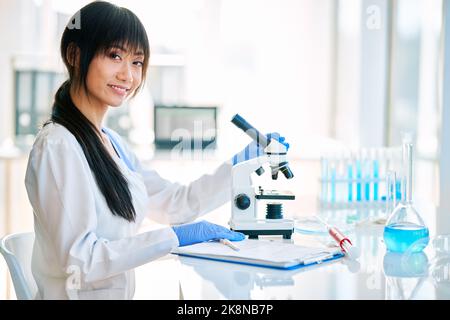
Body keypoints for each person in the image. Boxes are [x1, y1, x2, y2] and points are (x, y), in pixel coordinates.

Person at [24, 1, 289, 300]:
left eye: (137, 62)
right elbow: (81, 260)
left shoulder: (111, 143)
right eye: (114, 56)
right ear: (74, 55)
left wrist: (243, 161)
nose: (128, 75)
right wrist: (174, 237)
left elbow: (176, 204)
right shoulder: (58, 146)